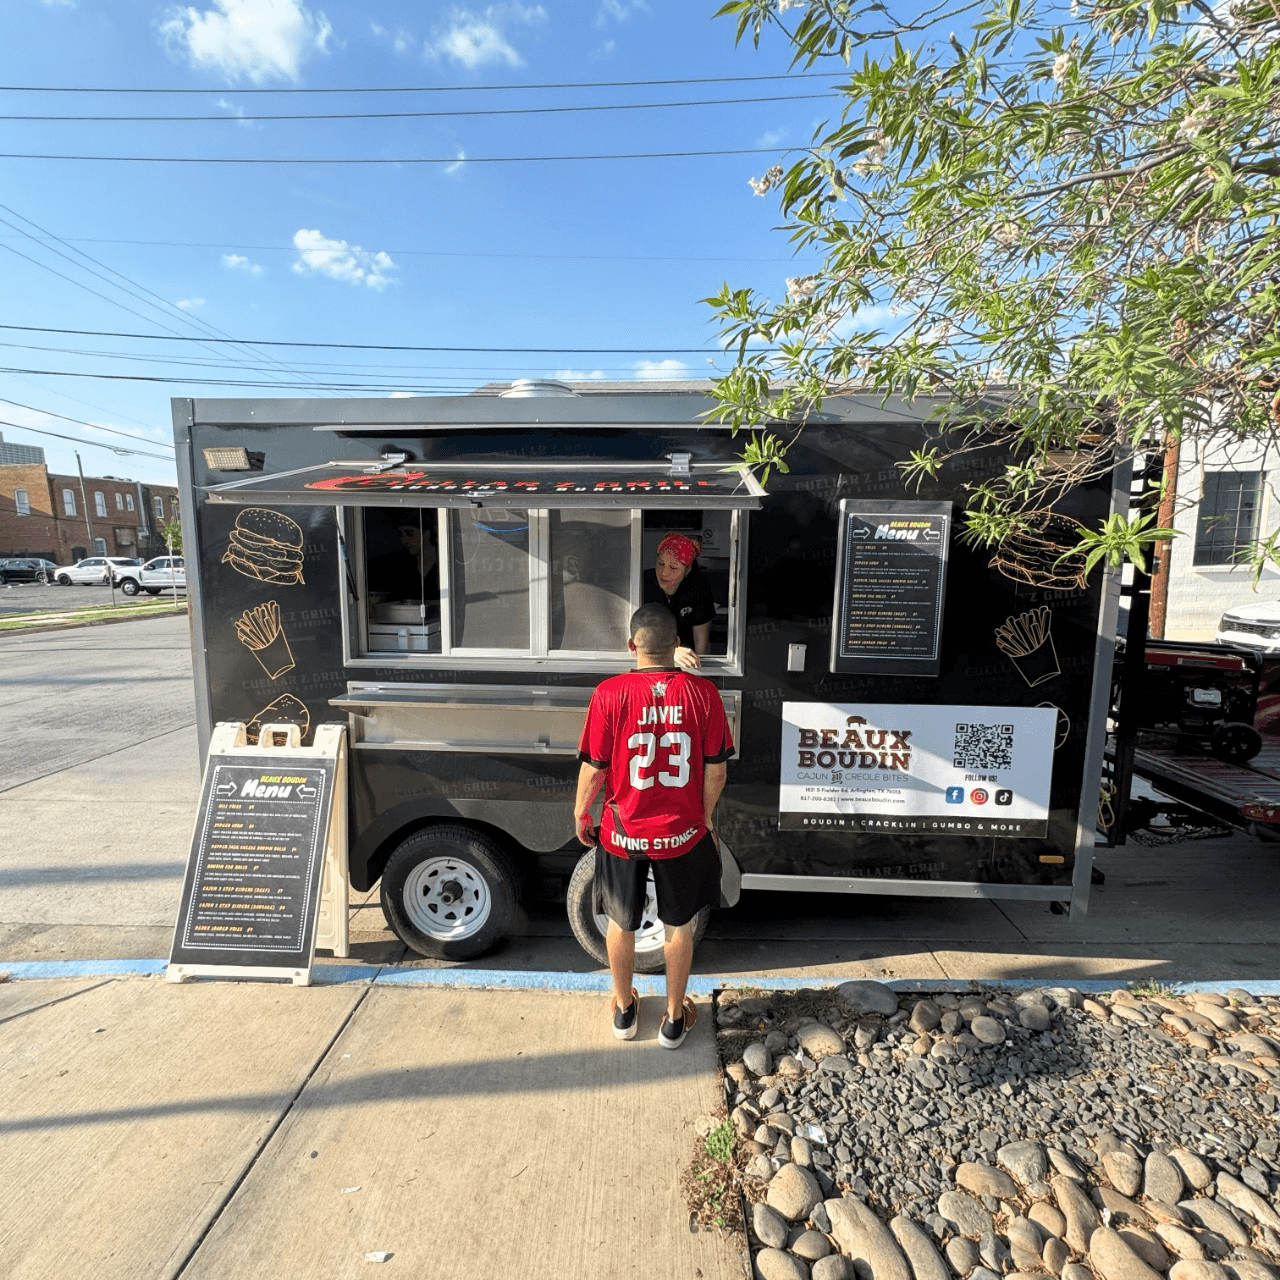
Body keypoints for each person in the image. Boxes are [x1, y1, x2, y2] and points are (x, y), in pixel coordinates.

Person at [574, 603, 733, 1048]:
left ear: (632, 646)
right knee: (679, 926)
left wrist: (581, 812)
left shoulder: (609, 693)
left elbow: (594, 768)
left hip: (622, 832)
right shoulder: (704, 694)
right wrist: (705, 816)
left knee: (620, 921)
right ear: (676, 644)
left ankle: (625, 1011)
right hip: (681, 833)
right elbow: (717, 769)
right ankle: (674, 1020)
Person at [642, 532, 717, 670]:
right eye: (660, 563)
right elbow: (637, 636)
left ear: (687, 569)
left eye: (673, 567)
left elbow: (701, 645)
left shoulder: (698, 587)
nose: (664, 572)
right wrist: (669, 651)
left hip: (687, 662)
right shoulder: (643, 583)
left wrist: (699, 670)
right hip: (649, 661)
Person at [368, 517, 439, 601]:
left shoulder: (445, 560)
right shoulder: (397, 564)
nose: (403, 540)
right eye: (401, 534)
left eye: (410, 534)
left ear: (426, 534)